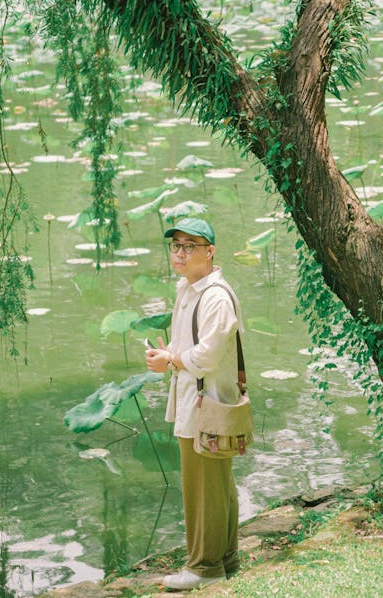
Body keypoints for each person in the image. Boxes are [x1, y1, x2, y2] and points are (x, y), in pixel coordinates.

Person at [145, 217, 244, 591]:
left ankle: (204, 567)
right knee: (215, 485)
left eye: (190, 246)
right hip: (197, 400)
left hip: (209, 404)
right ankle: (226, 559)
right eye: (176, 246)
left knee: (204, 486)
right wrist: (168, 353)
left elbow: (208, 355)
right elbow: (191, 348)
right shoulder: (188, 289)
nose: (181, 253)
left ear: (210, 251)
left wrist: (171, 360)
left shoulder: (214, 295)